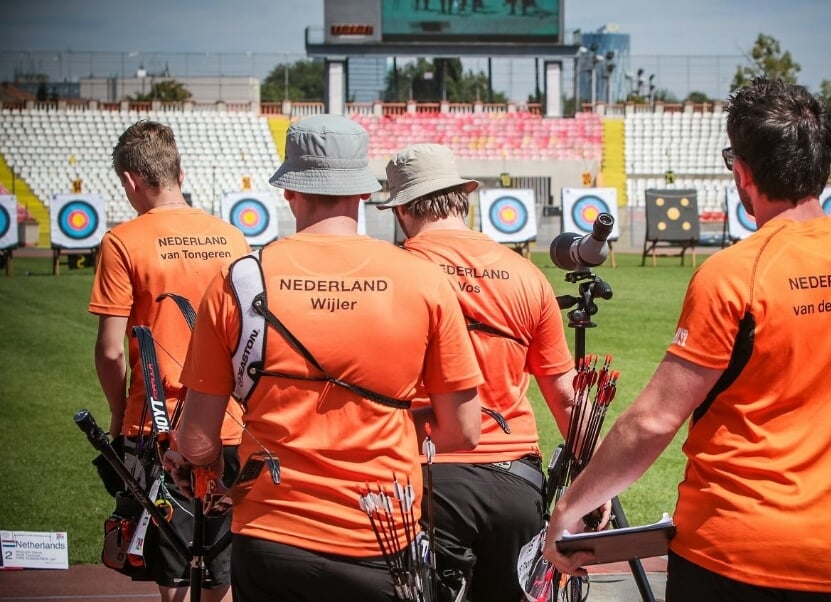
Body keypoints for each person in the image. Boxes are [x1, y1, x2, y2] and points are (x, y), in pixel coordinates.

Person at [541, 77, 831, 601]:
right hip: (824, 556)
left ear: (742, 172)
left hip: (725, 550)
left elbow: (655, 419)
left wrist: (569, 508)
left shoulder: (734, 274)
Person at [163, 115, 483, 602]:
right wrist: (392, 421)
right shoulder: (422, 279)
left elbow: (199, 439)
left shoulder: (241, 278)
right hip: (383, 535)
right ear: (361, 194)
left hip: (271, 533)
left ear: (290, 190)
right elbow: (462, 431)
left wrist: (193, 456)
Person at [379, 143, 597, 601]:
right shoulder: (526, 274)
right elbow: (564, 394)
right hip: (516, 484)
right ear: (463, 198)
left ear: (400, 210)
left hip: (427, 476)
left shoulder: (393, 273)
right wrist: (593, 480)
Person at [89, 119, 250, 602]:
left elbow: (111, 349)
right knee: (219, 569)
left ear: (130, 181)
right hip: (230, 422)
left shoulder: (123, 241)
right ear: (181, 171)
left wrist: (120, 414)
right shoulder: (233, 238)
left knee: (176, 574)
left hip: (159, 427)